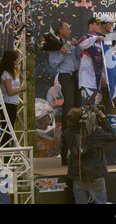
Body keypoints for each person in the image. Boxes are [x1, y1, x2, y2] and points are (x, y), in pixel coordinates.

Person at [62, 107, 116, 204]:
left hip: (78, 175)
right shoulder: (95, 133)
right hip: (96, 175)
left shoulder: (67, 133)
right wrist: (103, 119)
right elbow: (113, 136)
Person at [49, 22, 81, 165]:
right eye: (67, 28)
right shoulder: (54, 44)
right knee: (68, 107)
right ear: (60, 30)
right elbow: (53, 63)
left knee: (77, 107)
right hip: (65, 77)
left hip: (76, 75)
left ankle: (78, 145)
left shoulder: (71, 42)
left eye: (70, 28)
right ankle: (66, 152)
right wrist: (62, 53)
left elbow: (78, 59)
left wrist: (77, 46)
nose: (70, 30)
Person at [0, 50, 27, 148]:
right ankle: (5, 155)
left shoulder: (13, 72)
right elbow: (9, 91)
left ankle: (9, 152)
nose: (18, 60)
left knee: (11, 129)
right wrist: (21, 89)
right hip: (8, 103)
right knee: (7, 129)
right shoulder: (6, 73)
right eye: (16, 59)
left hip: (13, 103)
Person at [77, 17, 106, 105]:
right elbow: (81, 44)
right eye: (97, 25)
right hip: (87, 79)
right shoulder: (86, 37)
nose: (99, 27)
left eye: (100, 25)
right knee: (88, 105)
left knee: (96, 104)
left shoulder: (102, 40)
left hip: (97, 78)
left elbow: (103, 59)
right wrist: (95, 38)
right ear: (90, 25)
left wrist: (103, 76)